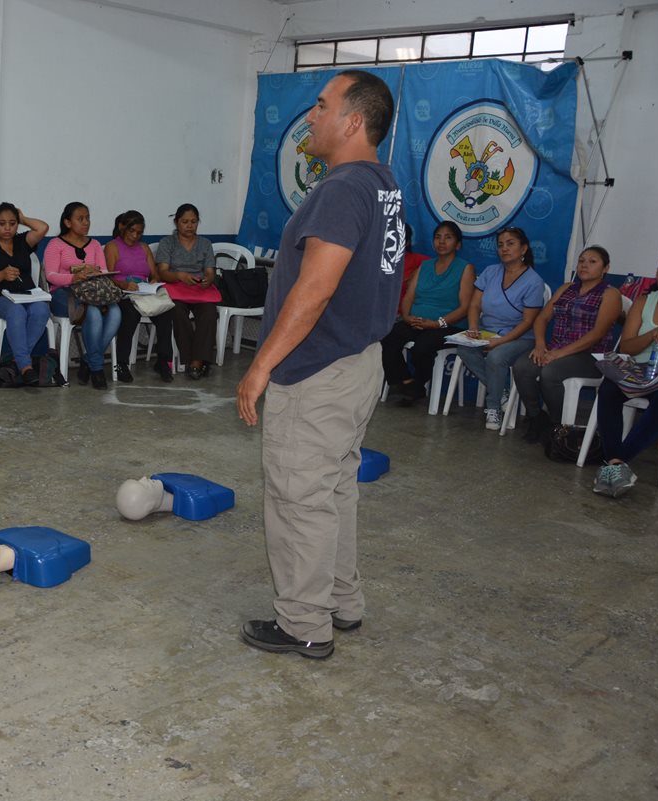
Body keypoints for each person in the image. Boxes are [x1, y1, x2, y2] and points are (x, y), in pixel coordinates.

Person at [235, 70, 405, 659]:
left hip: (318, 372)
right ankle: (340, 601)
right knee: (333, 490)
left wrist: (261, 367)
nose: (311, 115)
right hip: (359, 361)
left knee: (298, 496)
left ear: (353, 120)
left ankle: (304, 622)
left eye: (321, 105)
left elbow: (315, 288)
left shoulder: (340, 190)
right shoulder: (383, 185)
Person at [513, 245, 622, 442]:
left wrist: (558, 354)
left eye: (592, 261)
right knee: (522, 367)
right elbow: (542, 319)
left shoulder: (610, 294)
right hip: (555, 350)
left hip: (591, 356)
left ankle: (558, 425)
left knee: (550, 372)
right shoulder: (566, 289)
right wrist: (540, 345)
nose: (584, 265)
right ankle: (537, 417)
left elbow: (598, 333)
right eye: (581, 261)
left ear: (605, 268)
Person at [592, 249, 658, 497]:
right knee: (608, 388)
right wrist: (652, 335)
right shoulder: (644, 301)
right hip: (640, 368)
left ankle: (615, 462)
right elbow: (626, 346)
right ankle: (616, 463)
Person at [456, 226, 547, 430]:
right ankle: (500, 389)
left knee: (497, 357)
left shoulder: (534, 281)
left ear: (523, 249)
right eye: (500, 245)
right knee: (464, 348)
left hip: (520, 337)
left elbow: (527, 322)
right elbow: (474, 305)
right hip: (487, 331)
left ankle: (493, 407)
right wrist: (472, 328)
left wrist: (500, 341)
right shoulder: (491, 272)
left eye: (510, 244)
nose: (504, 248)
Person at [381, 221, 475, 407]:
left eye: (448, 237)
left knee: (423, 346)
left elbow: (465, 308)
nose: (441, 242)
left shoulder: (466, 268)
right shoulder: (424, 266)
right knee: (389, 336)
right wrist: (407, 317)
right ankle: (406, 382)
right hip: (417, 320)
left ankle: (418, 383)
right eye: (438, 237)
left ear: (458, 244)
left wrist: (436, 324)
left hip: (448, 325)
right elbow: (409, 297)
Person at [44, 202, 121, 389]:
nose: (86, 222)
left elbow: (103, 270)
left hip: (93, 291)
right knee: (92, 313)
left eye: (87, 218)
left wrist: (96, 272)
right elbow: (51, 276)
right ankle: (96, 369)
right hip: (64, 293)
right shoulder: (55, 244)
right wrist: (74, 276)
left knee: (116, 312)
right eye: (80, 219)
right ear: (68, 222)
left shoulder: (94, 244)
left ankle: (87, 359)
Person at [0, 203, 50, 386]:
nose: (7, 228)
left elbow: (43, 227)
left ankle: (16, 362)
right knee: (17, 311)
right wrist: (1, 275)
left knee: (42, 309)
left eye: (12, 223)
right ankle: (25, 366)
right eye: (2, 223)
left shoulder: (22, 241)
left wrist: (23, 219)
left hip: (28, 295)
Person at [105, 210, 174, 383]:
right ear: (122, 228)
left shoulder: (143, 248)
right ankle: (121, 363)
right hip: (123, 293)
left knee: (165, 313)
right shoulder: (112, 247)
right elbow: (108, 276)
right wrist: (123, 285)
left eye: (139, 232)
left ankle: (164, 361)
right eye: (131, 231)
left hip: (143, 293)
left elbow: (154, 274)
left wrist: (153, 282)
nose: (135, 236)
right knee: (130, 314)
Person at [155, 203, 220, 379]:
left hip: (199, 289)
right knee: (175, 311)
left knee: (209, 312)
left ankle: (196, 361)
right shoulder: (167, 243)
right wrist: (179, 276)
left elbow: (209, 270)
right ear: (176, 222)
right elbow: (162, 272)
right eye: (185, 222)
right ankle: (195, 360)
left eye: (193, 221)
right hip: (176, 288)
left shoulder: (205, 244)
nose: (190, 226)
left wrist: (208, 279)